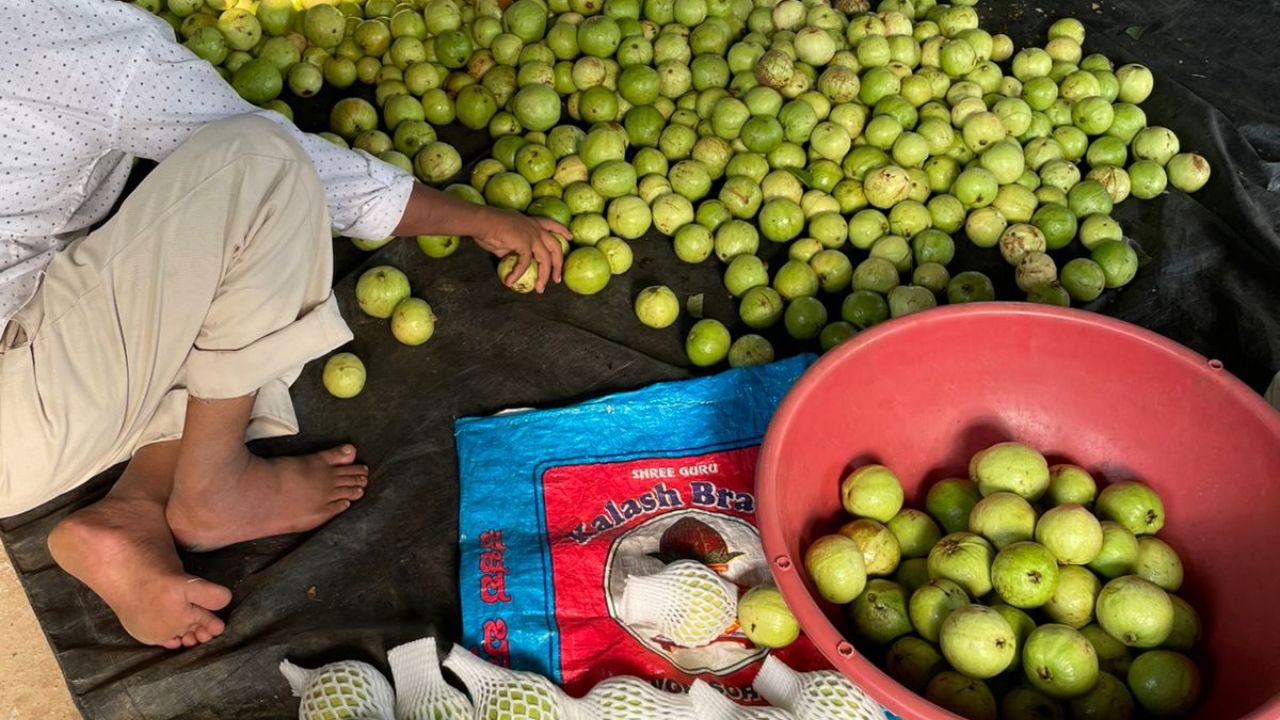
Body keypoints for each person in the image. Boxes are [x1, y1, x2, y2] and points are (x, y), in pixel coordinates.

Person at [0, 1, 567, 650]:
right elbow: (311, 170)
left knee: (177, 228)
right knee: (262, 167)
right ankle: (213, 486)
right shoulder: (84, 34)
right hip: (22, 416)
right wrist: (484, 222)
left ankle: (132, 513)